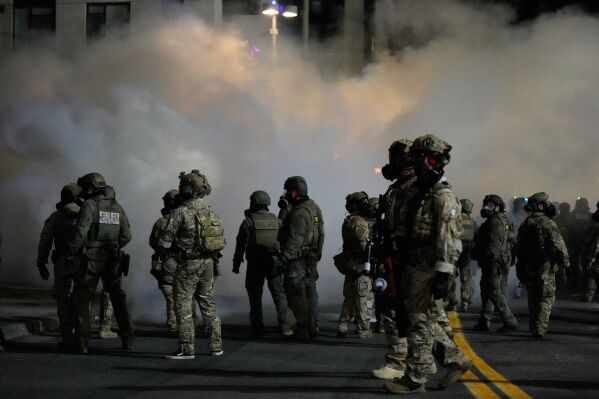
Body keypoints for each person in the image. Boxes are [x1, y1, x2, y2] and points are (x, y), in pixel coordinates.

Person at [384, 134, 471, 394]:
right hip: (412, 263)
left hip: (430, 267)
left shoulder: (443, 196)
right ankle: (456, 360)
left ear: (441, 161)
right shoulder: (415, 192)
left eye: (431, 158)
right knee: (421, 320)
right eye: (420, 157)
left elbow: (448, 239)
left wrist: (443, 274)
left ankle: (415, 377)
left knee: (420, 322)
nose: (424, 164)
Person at [158, 170, 225, 358]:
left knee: (183, 304)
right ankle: (216, 346)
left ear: (187, 189)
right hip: (209, 263)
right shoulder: (211, 212)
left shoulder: (180, 213)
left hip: (188, 264)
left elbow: (164, 242)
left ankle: (186, 348)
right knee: (208, 303)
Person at [68, 173, 134, 354]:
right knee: (118, 299)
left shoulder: (90, 205)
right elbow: (127, 236)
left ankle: (82, 342)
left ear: (91, 188)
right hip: (113, 258)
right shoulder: (118, 208)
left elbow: (80, 233)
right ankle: (128, 340)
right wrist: (113, 246)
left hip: (92, 258)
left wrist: (70, 254)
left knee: (82, 298)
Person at [232, 190, 293, 337]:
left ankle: (258, 329)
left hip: (256, 262)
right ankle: (286, 327)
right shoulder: (277, 221)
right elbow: (285, 240)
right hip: (275, 261)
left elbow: (240, 244)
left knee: (255, 295)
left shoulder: (248, 221)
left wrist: (236, 264)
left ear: (254, 203)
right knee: (279, 294)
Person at [516, 192, 569, 339]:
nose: (548, 206)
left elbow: (519, 248)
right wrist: (566, 264)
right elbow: (559, 246)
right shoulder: (549, 223)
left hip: (529, 267)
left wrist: (520, 268)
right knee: (545, 299)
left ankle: (534, 327)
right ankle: (539, 330)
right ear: (539, 205)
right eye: (545, 203)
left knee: (533, 299)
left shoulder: (525, 224)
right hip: (546, 267)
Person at [277, 176, 324, 340]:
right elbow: (321, 233)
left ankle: (302, 330)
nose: (286, 195)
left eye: (288, 191)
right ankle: (314, 324)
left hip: (297, 260)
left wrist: (283, 258)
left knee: (296, 294)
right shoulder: (313, 208)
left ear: (295, 192)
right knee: (311, 292)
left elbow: (294, 239)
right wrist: (317, 254)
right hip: (310, 258)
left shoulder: (298, 213)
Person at [37, 183, 81, 350]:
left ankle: (67, 337)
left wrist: (41, 263)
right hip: (84, 262)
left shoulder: (57, 216)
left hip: (63, 262)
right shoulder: (87, 214)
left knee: (63, 299)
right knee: (82, 299)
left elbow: (45, 240)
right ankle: (81, 337)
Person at [472, 195, 518, 332]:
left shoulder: (494, 223)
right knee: (488, 290)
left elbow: (493, 247)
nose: (486, 208)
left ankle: (510, 320)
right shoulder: (505, 221)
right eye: (486, 205)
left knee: (493, 290)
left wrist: (491, 262)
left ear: (498, 208)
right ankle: (485, 320)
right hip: (502, 261)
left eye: (490, 206)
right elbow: (513, 239)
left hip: (493, 262)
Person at [335, 191, 374, 339]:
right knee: (363, 296)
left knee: (350, 296)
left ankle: (342, 324)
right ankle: (363, 329)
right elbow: (365, 246)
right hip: (361, 264)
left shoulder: (349, 220)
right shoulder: (359, 222)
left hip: (351, 263)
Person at [455, 198, 477, 312]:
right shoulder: (472, 221)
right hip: (467, 253)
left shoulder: (456, 219)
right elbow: (476, 238)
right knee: (466, 279)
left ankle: (451, 302)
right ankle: (465, 303)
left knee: (451, 278)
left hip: (455, 251)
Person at [567, 197, 592, 290]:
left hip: (584, 244)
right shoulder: (574, 216)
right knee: (575, 265)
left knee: (585, 266)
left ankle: (580, 284)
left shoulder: (574, 216)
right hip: (576, 244)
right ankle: (576, 283)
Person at [581, 201, 599, 302]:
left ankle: (588, 295)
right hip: (594, 253)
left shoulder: (594, 223)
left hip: (594, 254)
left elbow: (591, 242)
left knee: (592, 274)